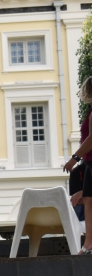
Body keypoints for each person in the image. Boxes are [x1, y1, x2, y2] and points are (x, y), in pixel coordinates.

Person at [63, 76, 92, 252]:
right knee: (88, 199)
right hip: (89, 161)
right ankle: (88, 244)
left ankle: (89, 243)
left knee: (90, 200)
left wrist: (74, 158)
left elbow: (91, 140)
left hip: (89, 160)